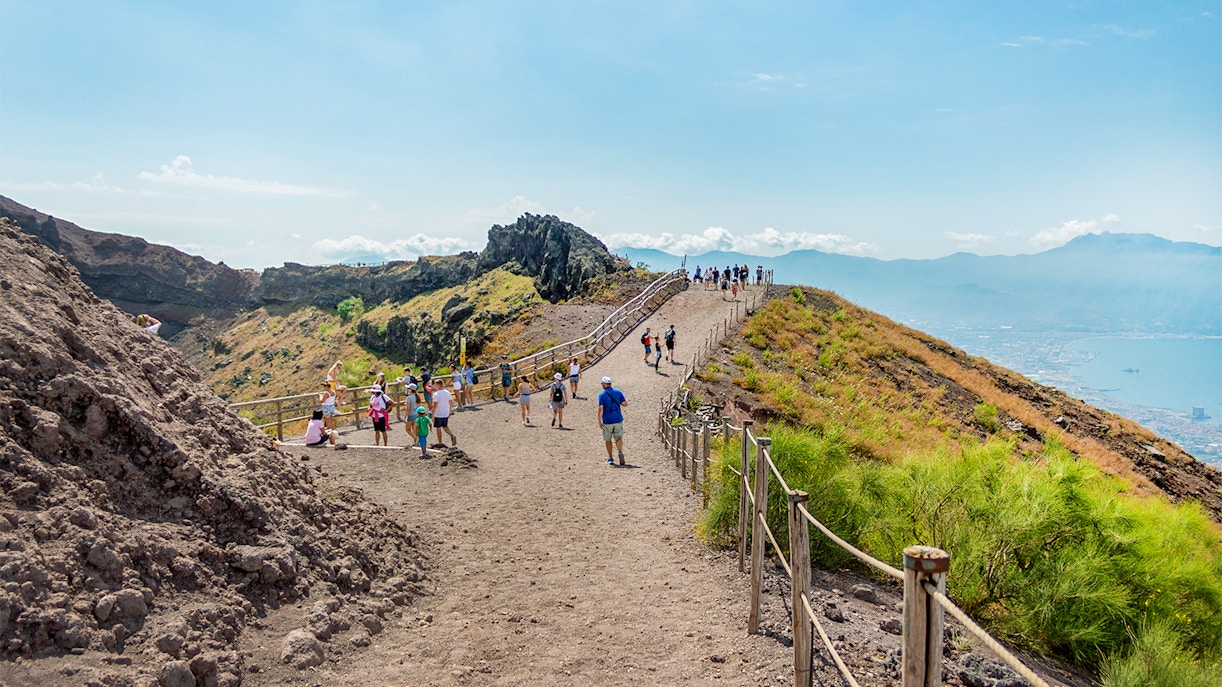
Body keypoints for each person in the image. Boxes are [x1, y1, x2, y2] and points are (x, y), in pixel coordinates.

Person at [596, 376, 628, 465]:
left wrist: (599, 420)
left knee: (608, 439)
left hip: (607, 420)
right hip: (618, 419)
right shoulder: (618, 392)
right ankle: (620, 452)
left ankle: (610, 458)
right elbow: (625, 404)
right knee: (618, 437)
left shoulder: (602, 395)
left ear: (604, 385)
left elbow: (600, 408)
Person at [432, 382, 457, 447]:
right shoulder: (447, 392)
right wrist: (449, 411)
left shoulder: (436, 394)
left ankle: (440, 442)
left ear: (437, 385)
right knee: (445, 426)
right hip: (445, 412)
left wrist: (433, 415)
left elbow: (435, 405)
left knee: (438, 428)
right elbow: (450, 402)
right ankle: (452, 435)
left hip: (438, 413)